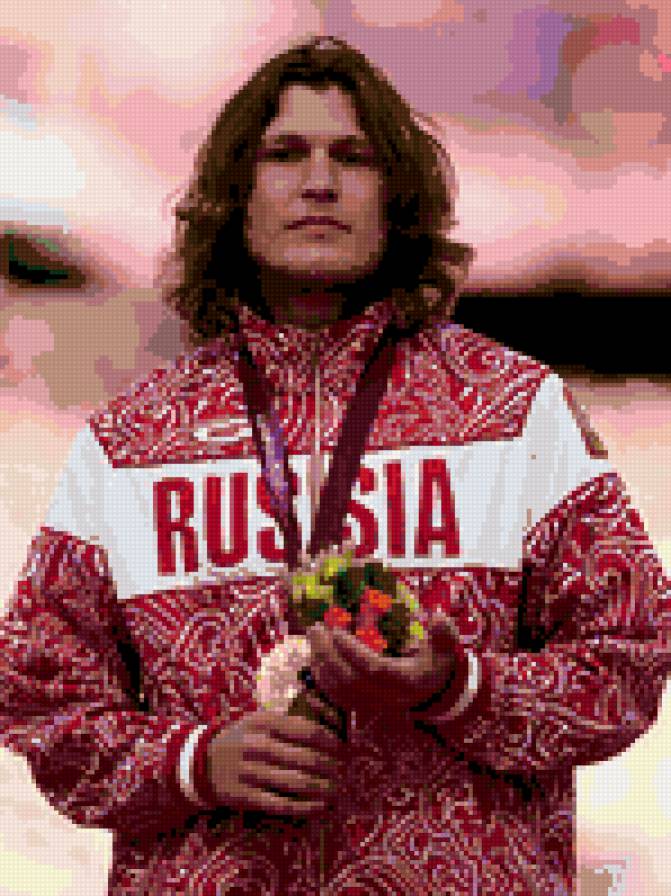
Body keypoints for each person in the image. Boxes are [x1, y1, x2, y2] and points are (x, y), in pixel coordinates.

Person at [0, 34, 669, 896]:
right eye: (284, 154)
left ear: (397, 197)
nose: (319, 182)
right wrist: (195, 762)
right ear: (234, 196)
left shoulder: (517, 415)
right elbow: (39, 699)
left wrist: (457, 685)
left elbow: (631, 657)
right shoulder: (127, 444)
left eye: (353, 157)